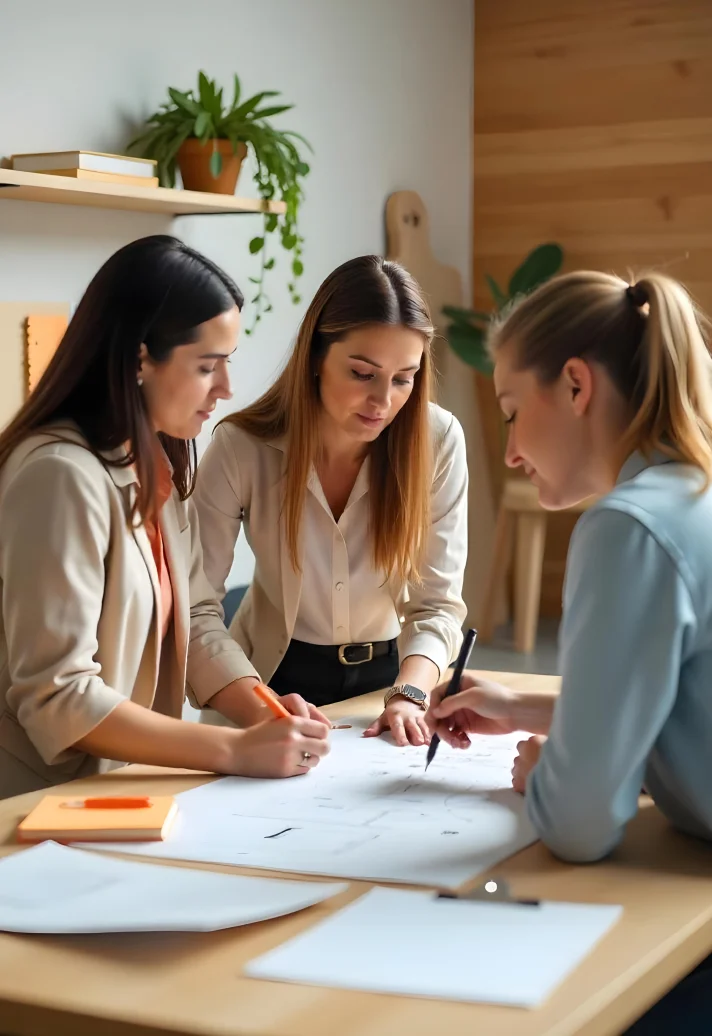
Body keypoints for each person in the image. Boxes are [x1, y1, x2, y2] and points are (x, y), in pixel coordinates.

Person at [425, 269, 712, 1033]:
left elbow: (583, 826)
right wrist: (530, 704)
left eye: (514, 412)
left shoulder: (628, 526)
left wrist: (551, 773)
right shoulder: (693, 497)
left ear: (577, 386)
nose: (512, 452)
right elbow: (687, 696)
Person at [0, 235, 330, 800]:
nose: (226, 389)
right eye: (208, 367)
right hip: (35, 806)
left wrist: (261, 712)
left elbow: (198, 615)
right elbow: (59, 693)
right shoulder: (59, 477)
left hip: (118, 793)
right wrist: (229, 750)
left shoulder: (153, 460)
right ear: (138, 360)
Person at [194, 255, 468, 747]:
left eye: (403, 378)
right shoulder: (240, 447)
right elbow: (195, 608)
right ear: (316, 357)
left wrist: (411, 693)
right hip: (266, 685)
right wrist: (259, 706)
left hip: (393, 685)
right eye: (363, 373)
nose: (383, 401)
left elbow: (437, 606)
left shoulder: (438, 439)